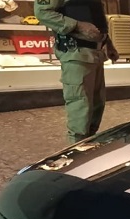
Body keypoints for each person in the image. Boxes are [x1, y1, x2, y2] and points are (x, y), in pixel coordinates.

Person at [35, 0, 119, 143]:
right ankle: (76, 151)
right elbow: (42, 12)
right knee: (80, 111)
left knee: (96, 108)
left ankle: (88, 148)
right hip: (76, 53)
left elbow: (95, 14)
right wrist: (78, 25)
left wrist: (107, 43)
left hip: (95, 53)